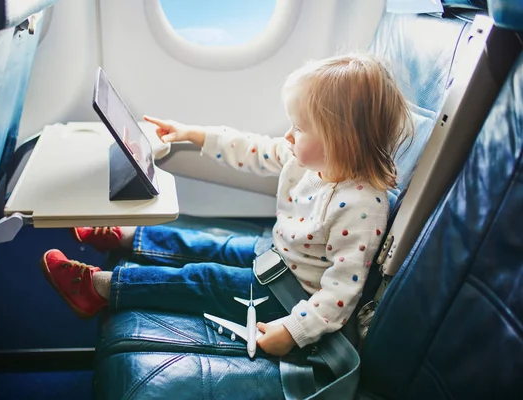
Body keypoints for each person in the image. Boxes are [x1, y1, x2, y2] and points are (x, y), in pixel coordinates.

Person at [41, 53, 413, 357]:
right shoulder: (309, 159)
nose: (287, 135)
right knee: (209, 245)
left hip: (291, 296)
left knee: (206, 279)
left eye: (299, 128)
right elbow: (252, 148)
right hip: (277, 256)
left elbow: (340, 292)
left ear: (342, 139)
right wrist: (193, 134)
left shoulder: (362, 206)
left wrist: (295, 330)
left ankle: (99, 288)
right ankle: (125, 238)